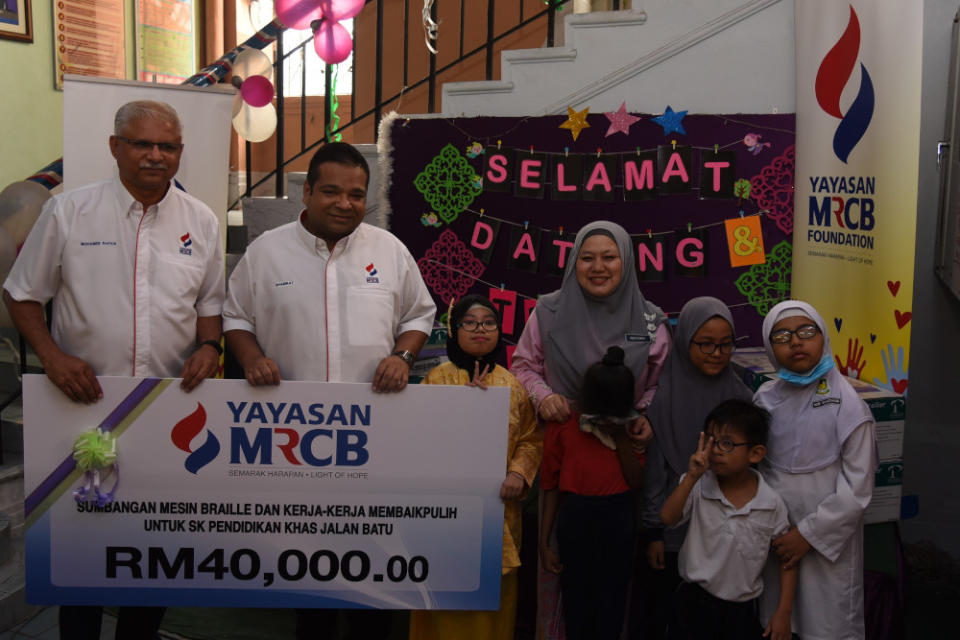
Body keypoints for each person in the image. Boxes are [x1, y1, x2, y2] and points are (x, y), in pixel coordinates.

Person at [3, 99, 224, 639]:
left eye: (167, 146)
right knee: (83, 548)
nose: (155, 156)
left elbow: (210, 307)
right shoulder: (69, 211)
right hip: (80, 406)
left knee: (153, 551)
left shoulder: (201, 221)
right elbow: (21, 294)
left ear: (179, 153)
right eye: (142, 144)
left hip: (165, 413)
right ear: (114, 148)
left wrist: (211, 348)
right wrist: (52, 359)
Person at [222, 141, 436, 639]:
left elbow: (419, 314)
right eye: (333, 192)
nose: (345, 203)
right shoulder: (265, 253)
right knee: (309, 583)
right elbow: (235, 317)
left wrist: (402, 357)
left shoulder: (389, 250)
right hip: (293, 450)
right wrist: (251, 358)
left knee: (376, 580)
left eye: (357, 194)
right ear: (308, 193)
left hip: (373, 446)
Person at [511, 219, 669, 640]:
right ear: (573, 262)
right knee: (558, 566)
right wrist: (544, 396)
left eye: (609, 257)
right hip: (564, 457)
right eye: (587, 257)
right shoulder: (547, 311)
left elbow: (660, 383)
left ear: (627, 261)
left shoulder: (651, 320)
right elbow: (523, 365)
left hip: (624, 459)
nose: (598, 267)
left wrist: (645, 417)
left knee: (615, 575)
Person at [408, 294, 542, 640]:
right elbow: (416, 439)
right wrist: (464, 410)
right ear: (454, 330)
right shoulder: (436, 381)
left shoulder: (513, 385)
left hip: (498, 515)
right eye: (470, 322)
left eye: (488, 323)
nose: (480, 330)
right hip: (444, 517)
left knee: (491, 607)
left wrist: (518, 473)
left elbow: (530, 438)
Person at [753, 300, 876, 640]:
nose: (796, 342)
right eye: (782, 335)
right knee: (777, 622)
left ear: (823, 338)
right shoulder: (764, 401)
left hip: (826, 545)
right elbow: (755, 471)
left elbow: (858, 489)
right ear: (769, 346)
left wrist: (806, 535)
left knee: (826, 625)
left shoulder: (849, 406)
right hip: (776, 537)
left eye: (807, 332)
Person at [642, 297, 753, 638]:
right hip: (673, 539)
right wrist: (654, 534)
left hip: (728, 541)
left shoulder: (742, 399)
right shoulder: (661, 398)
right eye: (705, 344)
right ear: (684, 340)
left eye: (725, 344)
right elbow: (654, 474)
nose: (717, 353)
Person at [660, 399, 796, 640]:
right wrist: (691, 477)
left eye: (727, 443)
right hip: (693, 602)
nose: (715, 450)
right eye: (711, 440)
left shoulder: (770, 503)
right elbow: (668, 518)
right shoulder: (699, 486)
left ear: (755, 453)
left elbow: (788, 558)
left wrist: (783, 612)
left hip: (741, 611)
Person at [539, 346, 646, 640]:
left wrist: (620, 435)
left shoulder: (632, 428)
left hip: (619, 517)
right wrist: (544, 542)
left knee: (612, 604)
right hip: (576, 518)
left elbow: (636, 481)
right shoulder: (564, 426)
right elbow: (550, 487)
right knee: (577, 603)